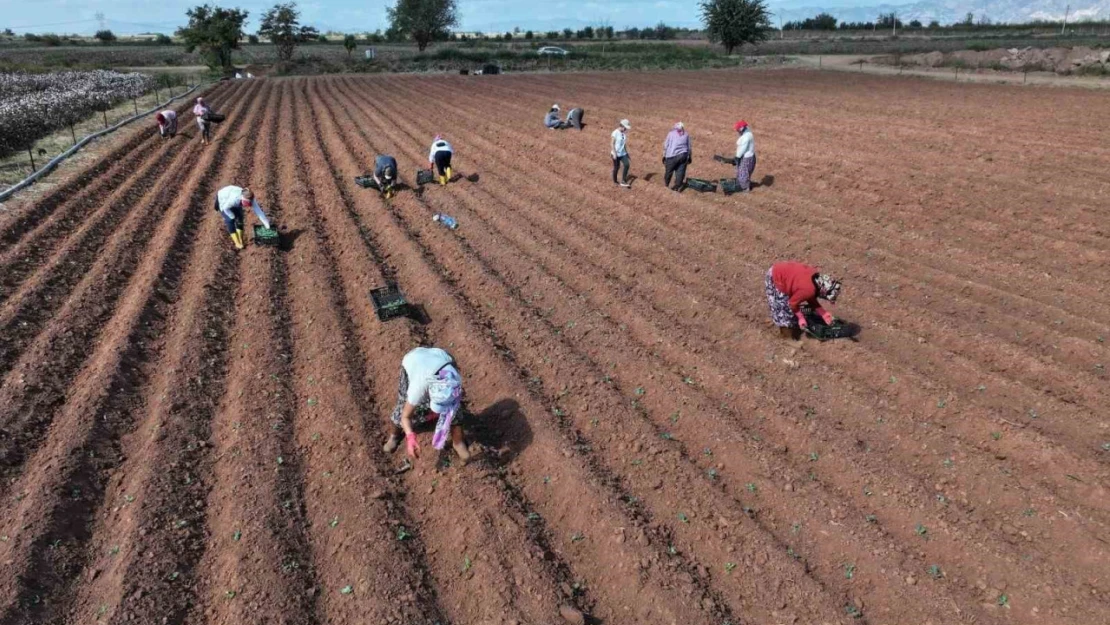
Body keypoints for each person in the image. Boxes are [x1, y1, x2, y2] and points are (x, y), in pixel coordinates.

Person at [383, 346, 471, 462]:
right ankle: (395, 435)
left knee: (455, 409)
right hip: (413, 359)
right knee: (403, 403)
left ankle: (458, 442)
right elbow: (405, 416)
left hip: (441, 357)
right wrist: (410, 437)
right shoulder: (418, 387)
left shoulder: (454, 379)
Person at [765, 261, 842, 340]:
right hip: (776, 276)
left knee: (793, 311)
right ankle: (786, 337)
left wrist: (823, 313)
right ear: (823, 291)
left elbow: (810, 295)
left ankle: (793, 327)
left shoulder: (816, 278)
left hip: (784, 272)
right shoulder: (809, 289)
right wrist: (801, 318)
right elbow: (792, 303)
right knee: (784, 311)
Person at [214, 185, 272, 250]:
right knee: (230, 220)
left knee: (240, 218)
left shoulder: (251, 199)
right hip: (223, 200)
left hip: (232, 197)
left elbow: (259, 212)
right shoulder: (234, 199)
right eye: (247, 204)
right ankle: (237, 242)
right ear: (243, 200)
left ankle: (241, 239)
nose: (248, 206)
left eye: (249, 204)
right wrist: (232, 216)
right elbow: (225, 208)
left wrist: (267, 225)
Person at [662, 121, 692, 191]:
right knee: (680, 172)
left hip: (672, 156)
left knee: (669, 171)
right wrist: (689, 156)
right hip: (683, 156)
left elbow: (666, 145)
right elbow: (689, 147)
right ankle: (677, 187)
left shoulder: (671, 134)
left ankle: (666, 185)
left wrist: (664, 155)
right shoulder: (686, 135)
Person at [734, 120, 756, 192]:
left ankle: (745, 188)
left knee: (743, 172)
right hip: (748, 156)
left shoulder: (746, 137)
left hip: (747, 157)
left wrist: (737, 157)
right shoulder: (749, 134)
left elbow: (743, 148)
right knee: (742, 171)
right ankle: (742, 184)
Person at [610, 119, 632, 188]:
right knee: (617, 167)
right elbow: (612, 143)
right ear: (622, 126)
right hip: (615, 154)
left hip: (622, 153)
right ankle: (615, 181)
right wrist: (615, 153)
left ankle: (623, 181)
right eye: (625, 128)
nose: (626, 129)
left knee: (627, 164)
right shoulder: (615, 132)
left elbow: (624, 144)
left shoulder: (623, 134)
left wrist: (627, 153)